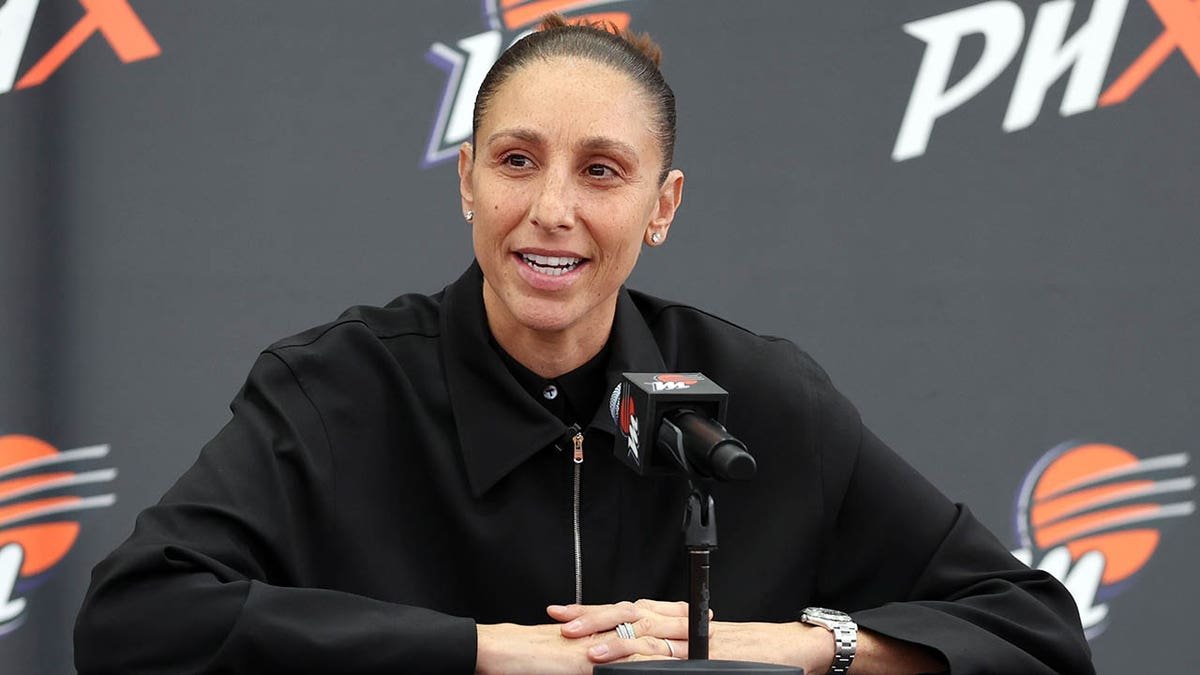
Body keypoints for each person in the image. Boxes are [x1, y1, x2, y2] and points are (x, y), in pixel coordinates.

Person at [74, 15, 1094, 675]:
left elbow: (1033, 631)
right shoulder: (337, 389)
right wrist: (481, 652)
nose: (550, 209)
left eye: (602, 173)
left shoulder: (761, 396)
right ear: (468, 178)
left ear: (663, 206)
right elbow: (136, 622)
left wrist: (767, 648)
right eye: (518, 161)